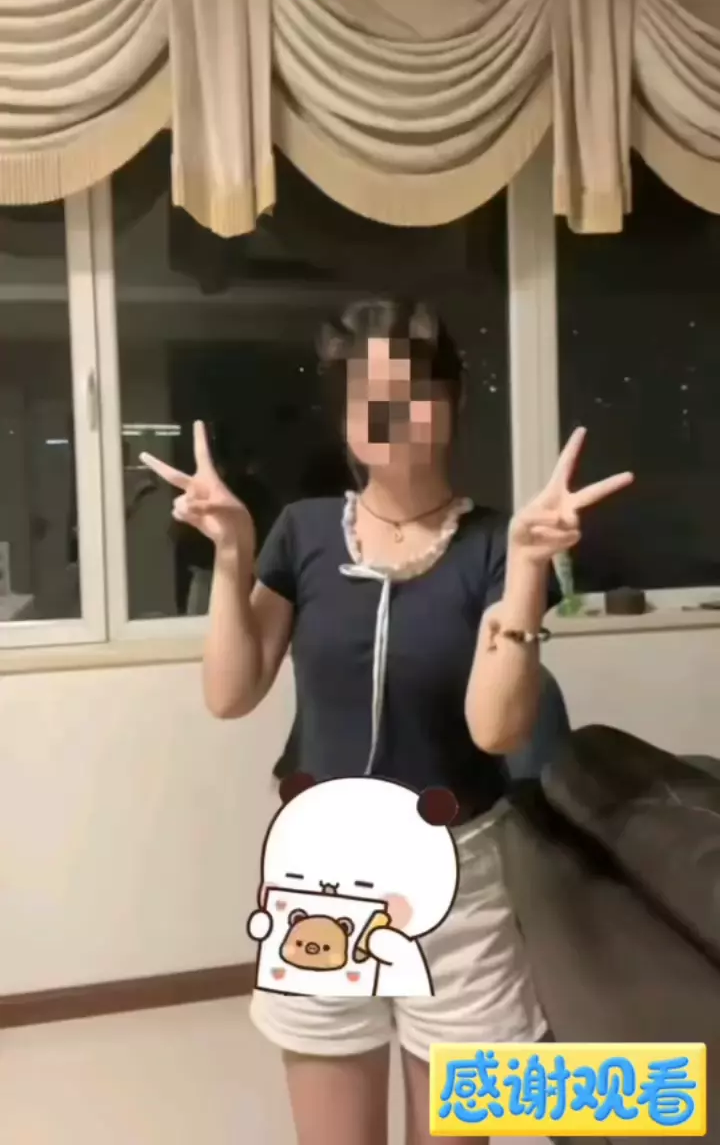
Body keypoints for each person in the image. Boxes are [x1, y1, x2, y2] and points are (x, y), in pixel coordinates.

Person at [141, 299, 633, 1145]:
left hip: (458, 878)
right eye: (367, 398)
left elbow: (496, 731)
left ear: (453, 403)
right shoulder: (301, 532)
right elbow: (230, 692)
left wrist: (526, 571)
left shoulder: (499, 545)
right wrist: (229, 554)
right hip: (318, 875)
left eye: (413, 394)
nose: (391, 416)